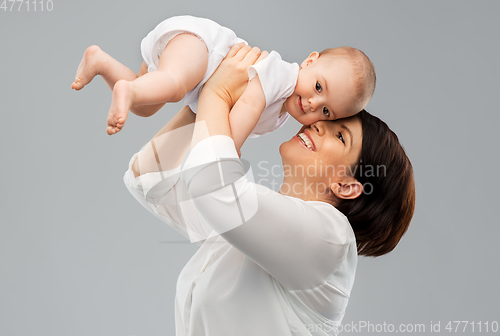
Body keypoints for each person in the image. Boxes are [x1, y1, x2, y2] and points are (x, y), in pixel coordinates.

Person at [123, 44, 414, 335]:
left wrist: (219, 93)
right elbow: (149, 180)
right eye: (327, 118)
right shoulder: (255, 230)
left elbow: (211, 187)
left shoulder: (331, 241)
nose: (318, 124)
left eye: (340, 136)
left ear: (347, 186)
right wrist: (199, 100)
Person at [71, 15, 376, 152]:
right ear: (309, 62)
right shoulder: (283, 76)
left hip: (196, 77)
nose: (312, 103)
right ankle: (130, 89)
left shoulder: (278, 119)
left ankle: (101, 62)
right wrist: (230, 153)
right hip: (203, 48)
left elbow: (212, 114)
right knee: (173, 85)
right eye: (319, 88)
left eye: (325, 112)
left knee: (147, 107)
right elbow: (246, 105)